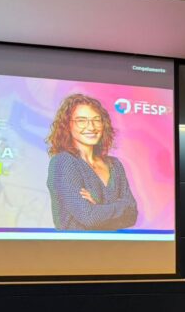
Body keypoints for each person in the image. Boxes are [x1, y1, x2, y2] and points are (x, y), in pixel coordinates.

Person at [45, 93, 138, 231]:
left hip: (115, 250)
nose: (91, 127)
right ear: (67, 125)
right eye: (81, 120)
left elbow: (132, 216)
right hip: (76, 250)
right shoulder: (63, 162)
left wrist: (99, 206)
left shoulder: (115, 165)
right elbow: (89, 218)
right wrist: (122, 206)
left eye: (96, 120)